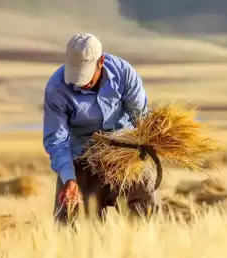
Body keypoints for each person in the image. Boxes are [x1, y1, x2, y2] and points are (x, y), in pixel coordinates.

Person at [42, 33, 161, 225]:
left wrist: (152, 142)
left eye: (86, 74)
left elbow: (141, 118)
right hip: (82, 157)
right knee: (71, 223)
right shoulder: (56, 88)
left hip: (125, 154)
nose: (81, 81)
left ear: (101, 61)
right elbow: (57, 140)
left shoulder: (124, 73)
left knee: (146, 214)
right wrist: (69, 179)